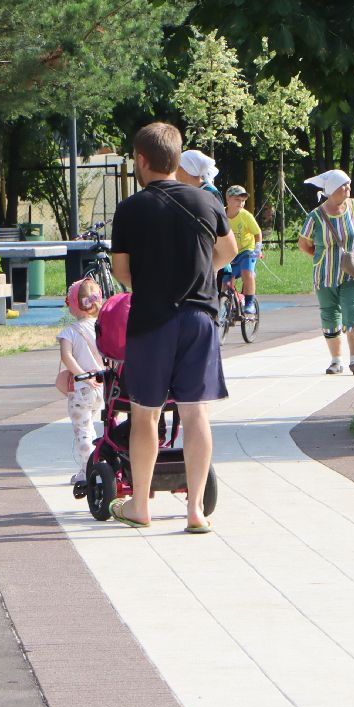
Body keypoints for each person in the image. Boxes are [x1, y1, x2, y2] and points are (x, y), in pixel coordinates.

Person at [109, 122, 237, 534]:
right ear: (177, 159)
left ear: (141, 161)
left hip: (152, 319)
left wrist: (154, 279)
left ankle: (140, 505)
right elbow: (229, 251)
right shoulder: (206, 201)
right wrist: (199, 273)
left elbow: (122, 273)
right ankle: (196, 510)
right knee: (196, 412)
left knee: (145, 414)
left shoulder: (130, 209)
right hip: (200, 317)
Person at [297, 168, 354, 376]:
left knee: (353, 311)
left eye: (348, 184)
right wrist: (322, 257)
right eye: (344, 185)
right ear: (332, 190)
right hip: (325, 275)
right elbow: (304, 244)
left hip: (353, 272)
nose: (348, 188)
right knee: (330, 315)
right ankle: (335, 360)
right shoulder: (315, 216)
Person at [58, 278, 105, 486]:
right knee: (93, 426)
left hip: (81, 389)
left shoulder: (70, 332)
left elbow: (67, 357)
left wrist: (81, 375)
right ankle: (91, 466)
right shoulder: (103, 327)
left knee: (83, 430)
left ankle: (91, 470)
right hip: (103, 386)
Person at [221, 185, 263, 313]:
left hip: (246, 250)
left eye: (243, 200)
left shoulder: (246, 216)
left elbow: (257, 233)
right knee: (226, 280)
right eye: (237, 200)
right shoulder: (221, 214)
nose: (241, 203)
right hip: (229, 252)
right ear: (228, 199)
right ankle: (225, 303)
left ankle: (249, 302)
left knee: (247, 273)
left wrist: (258, 248)